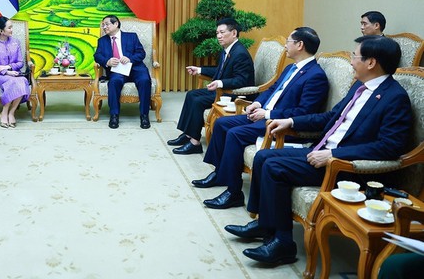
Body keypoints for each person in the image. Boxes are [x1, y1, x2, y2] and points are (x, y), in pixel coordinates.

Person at [225, 35, 412, 266]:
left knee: (274, 166)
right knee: (263, 157)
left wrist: (334, 155)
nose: (351, 61)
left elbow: (390, 147)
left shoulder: (394, 97)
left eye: (355, 56)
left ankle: (283, 244)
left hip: (345, 167)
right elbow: (330, 117)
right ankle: (265, 224)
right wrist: (291, 121)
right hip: (322, 149)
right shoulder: (360, 87)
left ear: (371, 62)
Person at [195, 27, 329, 209]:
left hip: (278, 123)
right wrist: (257, 103)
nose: (285, 46)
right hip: (263, 114)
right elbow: (272, 89)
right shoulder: (291, 68)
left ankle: (233, 193)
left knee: (235, 134)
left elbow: (304, 112)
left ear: (300, 45)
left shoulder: (316, 76)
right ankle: (220, 173)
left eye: (288, 42)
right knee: (221, 123)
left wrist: (267, 114)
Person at [168, 17, 255, 154]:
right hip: (224, 90)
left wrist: (220, 83)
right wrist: (199, 70)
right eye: (217, 33)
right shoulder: (228, 49)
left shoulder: (240, 53)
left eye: (222, 32)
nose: (219, 36)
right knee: (191, 95)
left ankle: (195, 143)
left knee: (198, 100)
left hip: (236, 94)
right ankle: (188, 134)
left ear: (234, 33)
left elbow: (241, 81)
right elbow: (220, 70)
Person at [93, 15, 152, 129]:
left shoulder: (131, 36)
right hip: (117, 70)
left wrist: (130, 58)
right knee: (114, 82)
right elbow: (97, 56)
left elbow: (141, 53)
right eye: (103, 25)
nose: (104, 27)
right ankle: (114, 115)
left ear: (116, 24)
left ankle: (144, 115)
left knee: (144, 80)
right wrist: (107, 61)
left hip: (136, 68)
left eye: (106, 24)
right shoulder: (102, 41)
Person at [0, 17, 30, 128]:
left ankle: (11, 112)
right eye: (9, 28)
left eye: (11, 27)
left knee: (22, 80)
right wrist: (8, 72)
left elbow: (20, 63)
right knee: (14, 82)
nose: (12, 30)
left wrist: (7, 67)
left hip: (15, 74)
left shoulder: (15, 42)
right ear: (1, 31)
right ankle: (4, 113)